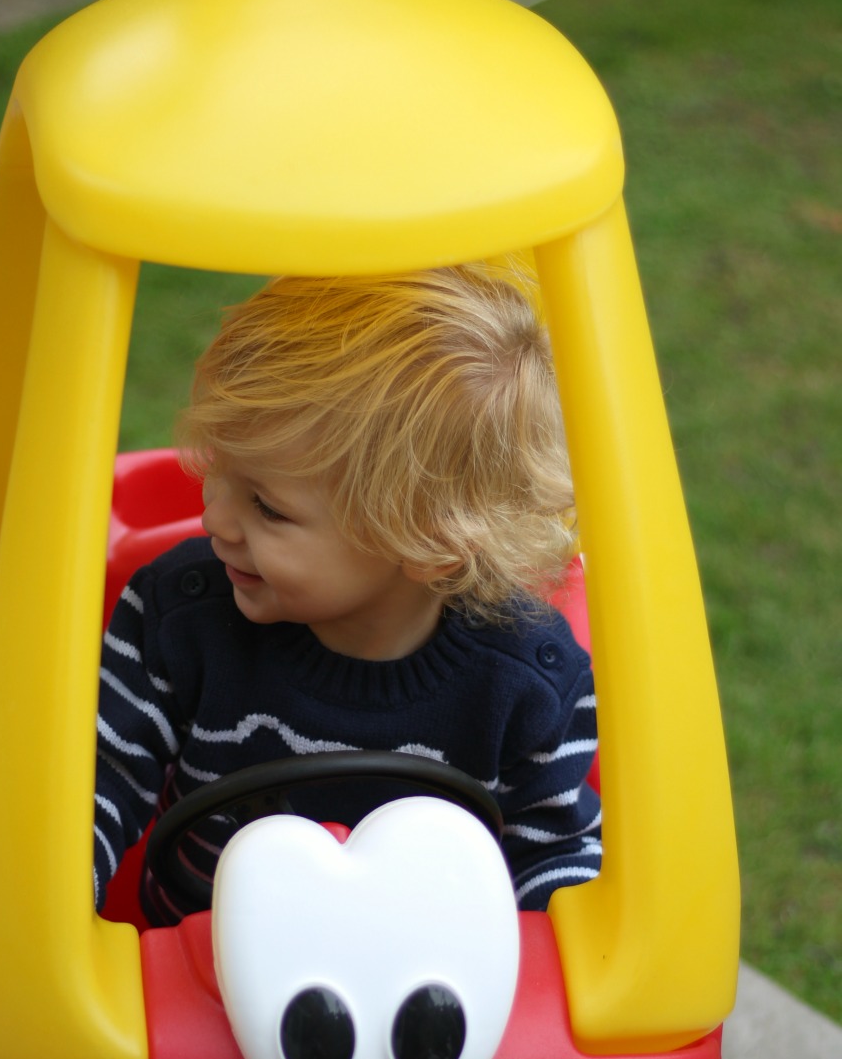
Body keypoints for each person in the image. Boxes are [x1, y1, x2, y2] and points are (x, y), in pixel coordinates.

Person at [93, 263, 602, 924]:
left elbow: (553, 861)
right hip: (194, 976)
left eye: (267, 509)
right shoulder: (176, 613)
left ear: (425, 543)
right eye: (220, 470)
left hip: (427, 990)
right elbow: (94, 791)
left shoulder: (528, 679)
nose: (214, 518)